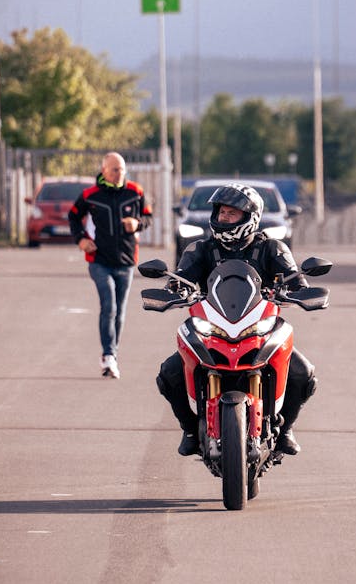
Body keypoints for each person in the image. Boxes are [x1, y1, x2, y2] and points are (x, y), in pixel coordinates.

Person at [157, 182, 317, 456]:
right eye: (221, 213)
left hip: (259, 325)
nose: (224, 218)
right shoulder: (201, 249)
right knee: (169, 374)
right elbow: (181, 278)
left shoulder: (271, 249)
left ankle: (286, 429)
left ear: (250, 216)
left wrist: (298, 291)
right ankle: (190, 429)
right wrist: (175, 289)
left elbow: (295, 280)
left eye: (231, 214)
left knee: (303, 374)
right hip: (213, 325)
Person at [69, 152, 152, 378]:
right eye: (115, 170)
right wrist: (81, 240)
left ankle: (113, 354)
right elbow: (73, 216)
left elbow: (148, 217)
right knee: (109, 305)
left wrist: (137, 224)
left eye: (122, 169)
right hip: (99, 260)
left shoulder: (135, 192)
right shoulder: (90, 195)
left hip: (126, 261)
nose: (119, 174)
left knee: (120, 311)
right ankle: (108, 355)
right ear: (104, 170)